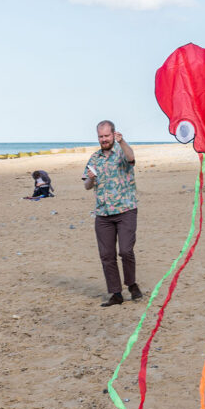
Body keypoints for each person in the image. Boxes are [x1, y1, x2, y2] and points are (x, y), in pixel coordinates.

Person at [83, 120, 143, 306]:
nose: (104, 139)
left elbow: (131, 158)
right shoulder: (94, 158)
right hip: (103, 214)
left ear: (113, 134)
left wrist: (122, 142)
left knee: (125, 251)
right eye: (100, 136)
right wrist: (91, 180)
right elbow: (86, 185)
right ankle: (116, 293)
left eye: (107, 136)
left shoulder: (121, 152)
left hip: (125, 209)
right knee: (107, 255)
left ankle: (131, 284)